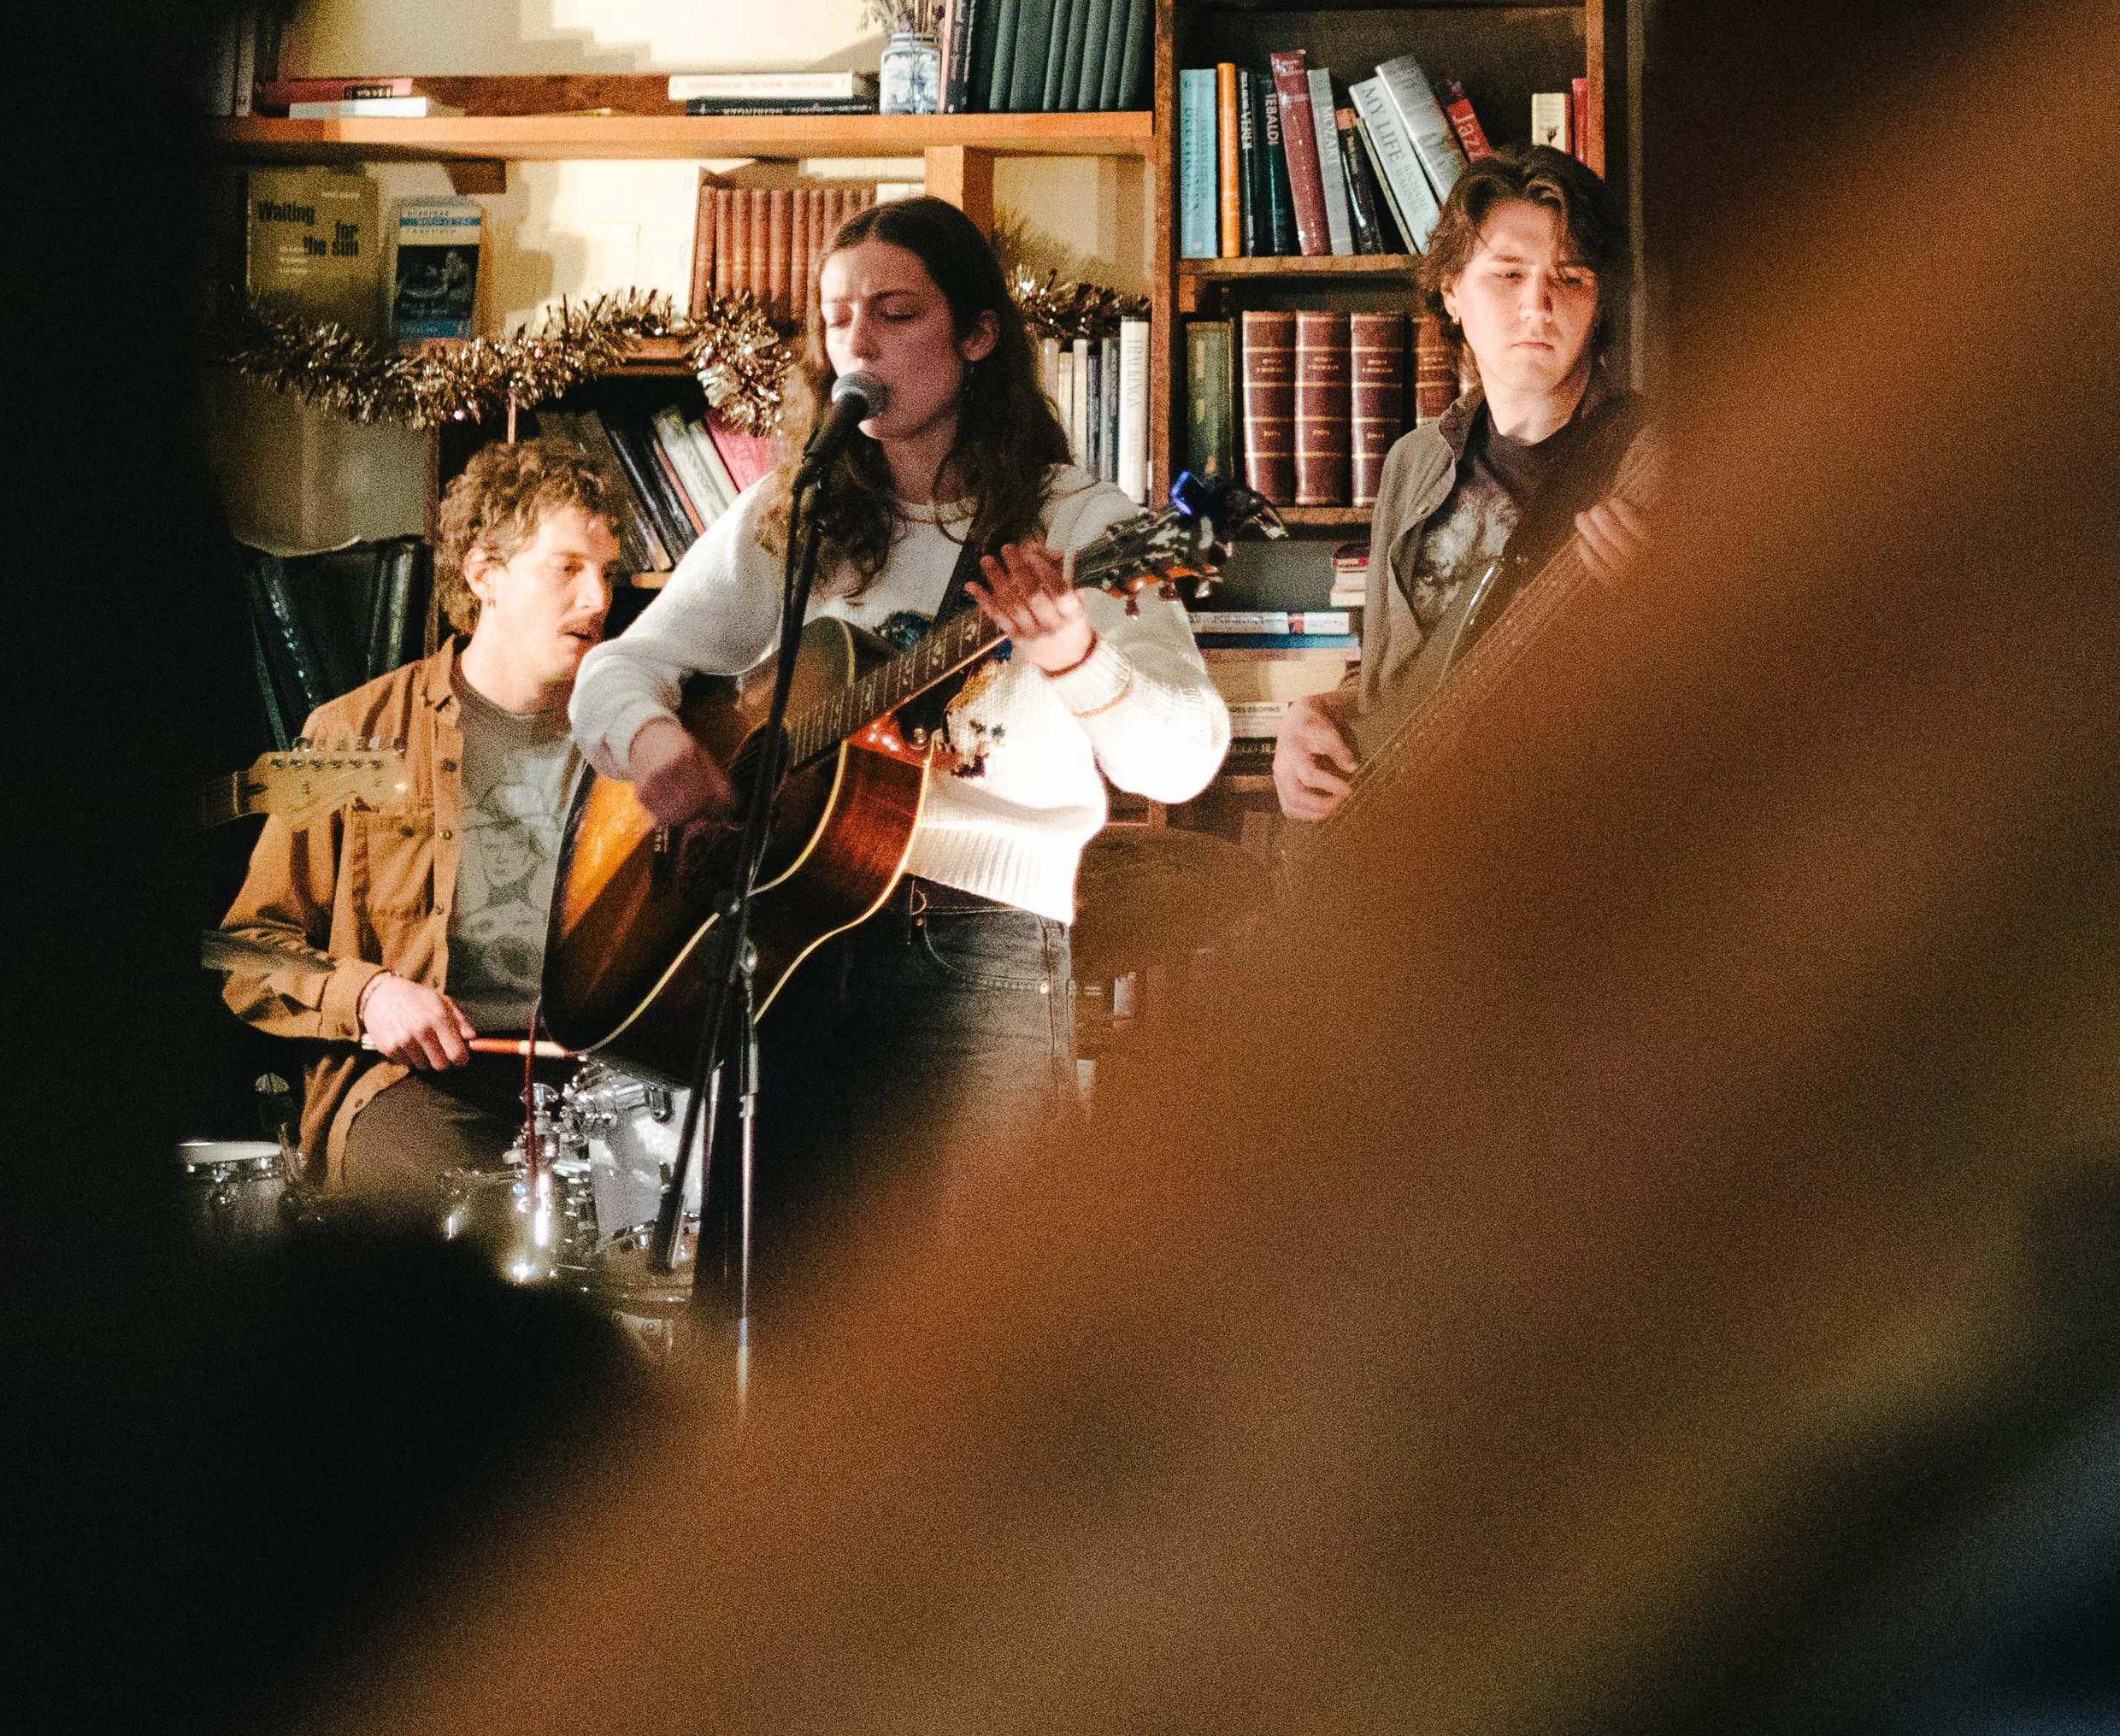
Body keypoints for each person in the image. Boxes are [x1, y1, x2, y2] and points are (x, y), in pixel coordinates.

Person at [569, 195, 1230, 1280]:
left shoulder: (1081, 527)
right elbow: (615, 668)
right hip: (790, 946)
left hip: (980, 950)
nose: (857, 345)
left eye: (893, 313)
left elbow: (1184, 755)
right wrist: (658, 750)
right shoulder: (798, 515)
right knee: (781, 1311)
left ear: (977, 338)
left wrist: (1074, 657)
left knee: (971, 1332)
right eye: (836, 320)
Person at [218, 444, 621, 1203]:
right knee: (434, 1216)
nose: (598, 598)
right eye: (566, 568)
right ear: (483, 574)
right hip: (425, 1085)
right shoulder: (351, 734)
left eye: (608, 573)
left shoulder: (636, 742)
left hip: (608, 1088)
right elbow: (247, 953)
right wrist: (369, 995)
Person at [1275, 144, 1648, 825]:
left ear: (1599, 305)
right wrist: (1312, 714)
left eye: (1570, 277)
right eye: (1508, 274)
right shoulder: (1414, 463)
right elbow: (1396, 682)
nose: (1538, 304)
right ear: (1451, 292)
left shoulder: (1657, 462)